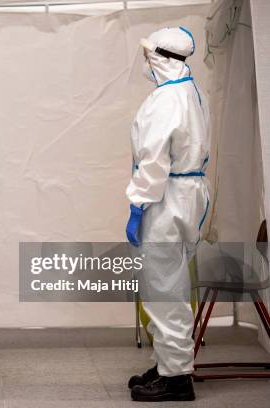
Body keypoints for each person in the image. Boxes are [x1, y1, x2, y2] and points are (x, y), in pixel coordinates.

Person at [125, 27, 210, 402]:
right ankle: (167, 363)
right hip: (189, 195)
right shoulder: (192, 91)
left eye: (148, 54)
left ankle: (176, 377)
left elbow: (154, 161)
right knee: (172, 284)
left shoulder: (166, 99)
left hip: (167, 197)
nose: (144, 60)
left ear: (160, 56)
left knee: (164, 290)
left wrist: (138, 203)